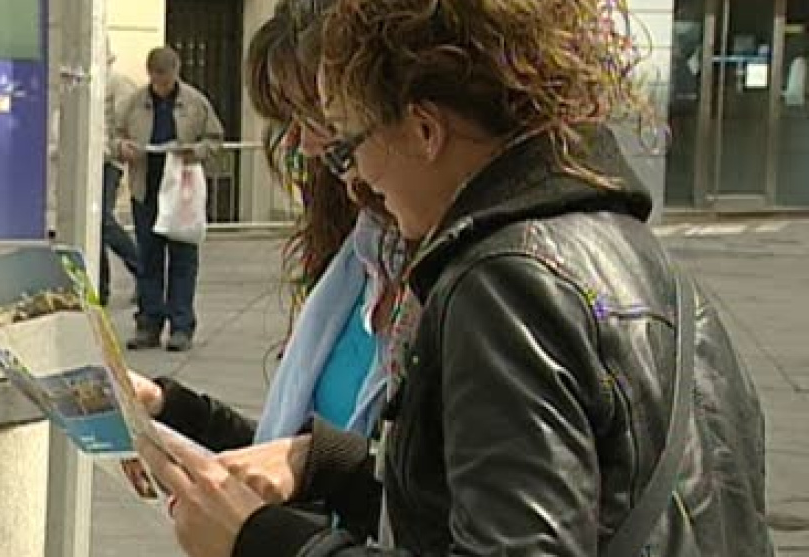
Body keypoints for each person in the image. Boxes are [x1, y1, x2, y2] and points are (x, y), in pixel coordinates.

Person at [139, 1, 775, 556]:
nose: (357, 180)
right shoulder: (630, 251)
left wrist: (260, 540)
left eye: (350, 144)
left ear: (423, 131)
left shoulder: (507, 280)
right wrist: (325, 465)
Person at [119, 4, 406, 538]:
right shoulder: (359, 262)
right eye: (290, 121)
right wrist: (172, 412)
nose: (305, 145)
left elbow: (436, 509)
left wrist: (263, 526)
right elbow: (286, 455)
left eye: (321, 116)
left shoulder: (469, 282)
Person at [113, 46, 224, 352]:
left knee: (182, 259)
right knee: (148, 259)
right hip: (146, 189)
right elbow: (115, 136)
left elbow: (215, 139)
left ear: (176, 72)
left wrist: (195, 151)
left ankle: (181, 325)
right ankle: (148, 324)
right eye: (156, 78)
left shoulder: (195, 102)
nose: (161, 84)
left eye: (166, 78)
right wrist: (122, 148)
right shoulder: (135, 102)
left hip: (181, 192)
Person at [99, 40, 142, 306]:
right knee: (94, 226)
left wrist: (116, 147)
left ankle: (141, 268)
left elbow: (127, 122)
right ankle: (99, 286)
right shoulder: (88, 82)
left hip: (108, 160)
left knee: (102, 221)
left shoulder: (117, 83)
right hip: (90, 159)